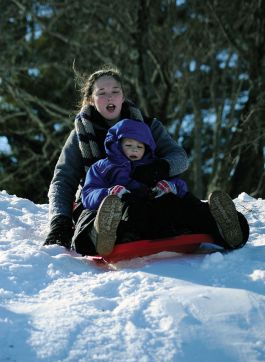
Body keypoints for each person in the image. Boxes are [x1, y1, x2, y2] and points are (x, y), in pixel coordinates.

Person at [43, 65, 189, 251]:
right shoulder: (80, 136)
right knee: (91, 219)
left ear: (123, 96)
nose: (110, 97)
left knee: (177, 205)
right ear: (91, 100)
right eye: (102, 93)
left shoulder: (148, 127)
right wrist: (60, 222)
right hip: (99, 201)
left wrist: (160, 168)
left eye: (115, 91)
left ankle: (216, 225)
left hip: (145, 194)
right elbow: (63, 180)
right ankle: (102, 234)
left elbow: (180, 157)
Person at [78, 118, 249, 256]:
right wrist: (108, 193)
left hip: (160, 212)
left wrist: (171, 187)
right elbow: (88, 193)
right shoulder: (102, 167)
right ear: (117, 144)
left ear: (147, 148)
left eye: (139, 146)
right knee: (126, 212)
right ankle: (105, 234)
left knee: (184, 206)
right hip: (130, 212)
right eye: (128, 145)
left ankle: (224, 227)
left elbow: (180, 186)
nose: (134, 150)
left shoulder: (153, 166)